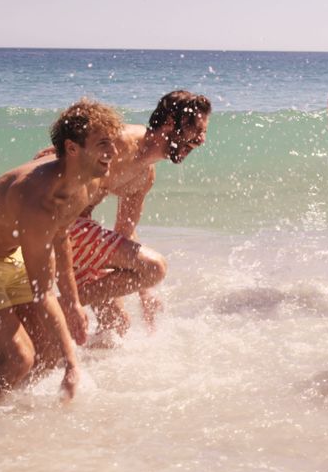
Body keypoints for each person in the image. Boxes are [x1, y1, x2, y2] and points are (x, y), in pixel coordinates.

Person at [0, 99, 123, 402]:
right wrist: (73, 365)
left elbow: (61, 239)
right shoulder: (39, 202)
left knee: (46, 351)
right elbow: (42, 291)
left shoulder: (83, 184)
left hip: (8, 256)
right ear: (72, 148)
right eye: (103, 144)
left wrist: (72, 303)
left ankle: (8, 409)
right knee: (19, 358)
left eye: (113, 142)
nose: (113, 152)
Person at [35, 90, 211, 336]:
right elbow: (53, 156)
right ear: (171, 122)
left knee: (116, 327)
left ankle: (54, 328)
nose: (202, 140)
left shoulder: (144, 176)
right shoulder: (119, 141)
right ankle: (57, 307)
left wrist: (145, 293)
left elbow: (125, 232)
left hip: (79, 234)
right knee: (155, 268)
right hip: (54, 226)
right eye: (198, 131)